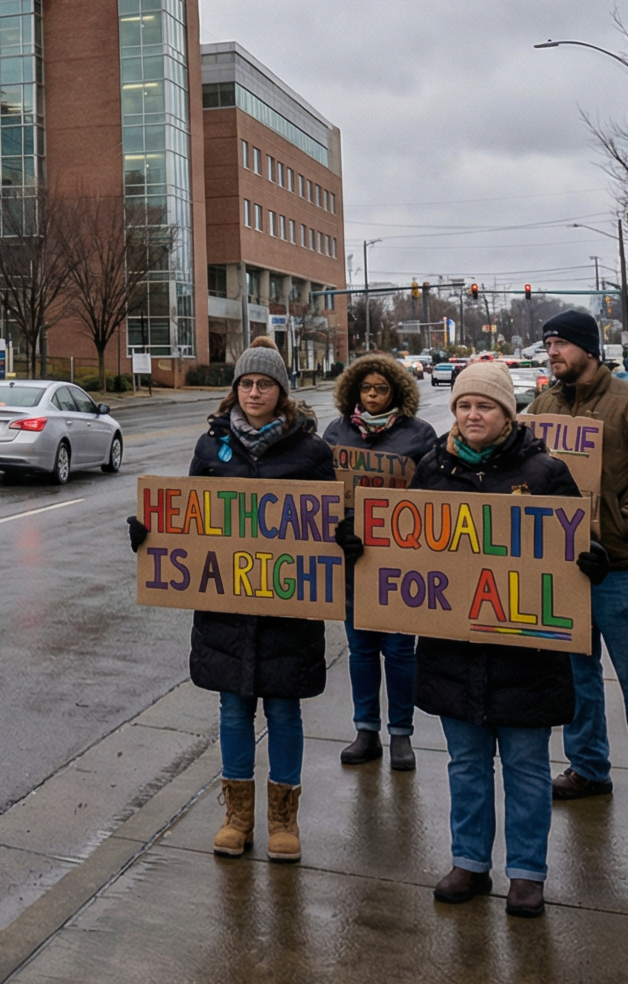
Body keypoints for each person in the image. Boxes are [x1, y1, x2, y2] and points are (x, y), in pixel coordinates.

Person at [127, 339, 334, 863]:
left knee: (284, 711)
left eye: (264, 384)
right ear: (235, 389)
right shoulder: (210, 447)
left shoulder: (311, 452)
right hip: (226, 607)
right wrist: (151, 536)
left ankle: (283, 820)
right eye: (246, 383)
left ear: (281, 391)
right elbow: (188, 519)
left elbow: (332, 525)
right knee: (233, 710)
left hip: (288, 610)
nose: (254, 392)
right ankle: (237, 817)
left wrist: (345, 540)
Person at [404, 359, 586, 918]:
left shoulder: (546, 472)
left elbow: (575, 550)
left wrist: (590, 562)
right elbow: (407, 547)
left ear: (508, 413)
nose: (472, 414)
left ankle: (527, 872)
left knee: (527, 766)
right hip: (453, 650)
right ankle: (469, 862)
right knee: (466, 764)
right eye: (464, 405)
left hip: (527, 654)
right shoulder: (431, 469)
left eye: (485, 405)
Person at [534, 307, 628, 824]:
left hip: (621, 565)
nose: (552, 352)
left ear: (589, 348)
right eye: (548, 344)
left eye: (560, 343)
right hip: (566, 564)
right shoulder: (542, 406)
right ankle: (587, 767)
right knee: (577, 676)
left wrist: (620, 523)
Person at [322, 352, 437, 771]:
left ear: (396, 392)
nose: (372, 395)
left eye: (381, 388)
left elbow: (434, 492)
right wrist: (339, 530)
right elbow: (321, 492)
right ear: (354, 390)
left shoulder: (419, 434)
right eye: (366, 388)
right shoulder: (337, 432)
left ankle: (401, 735)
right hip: (353, 559)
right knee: (362, 650)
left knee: (401, 652)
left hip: (400, 561)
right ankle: (366, 730)